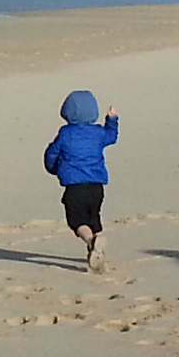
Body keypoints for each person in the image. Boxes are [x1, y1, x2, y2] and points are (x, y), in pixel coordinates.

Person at [44, 89, 120, 271]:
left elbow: (52, 154)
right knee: (93, 217)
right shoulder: (98, 133)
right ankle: (98, 250)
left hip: (75, 186)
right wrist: (111, 120)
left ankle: (92, 241)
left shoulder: (65, 133)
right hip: (96, 186)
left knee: (76, 221)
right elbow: (112, 137)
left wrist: (53, 168)